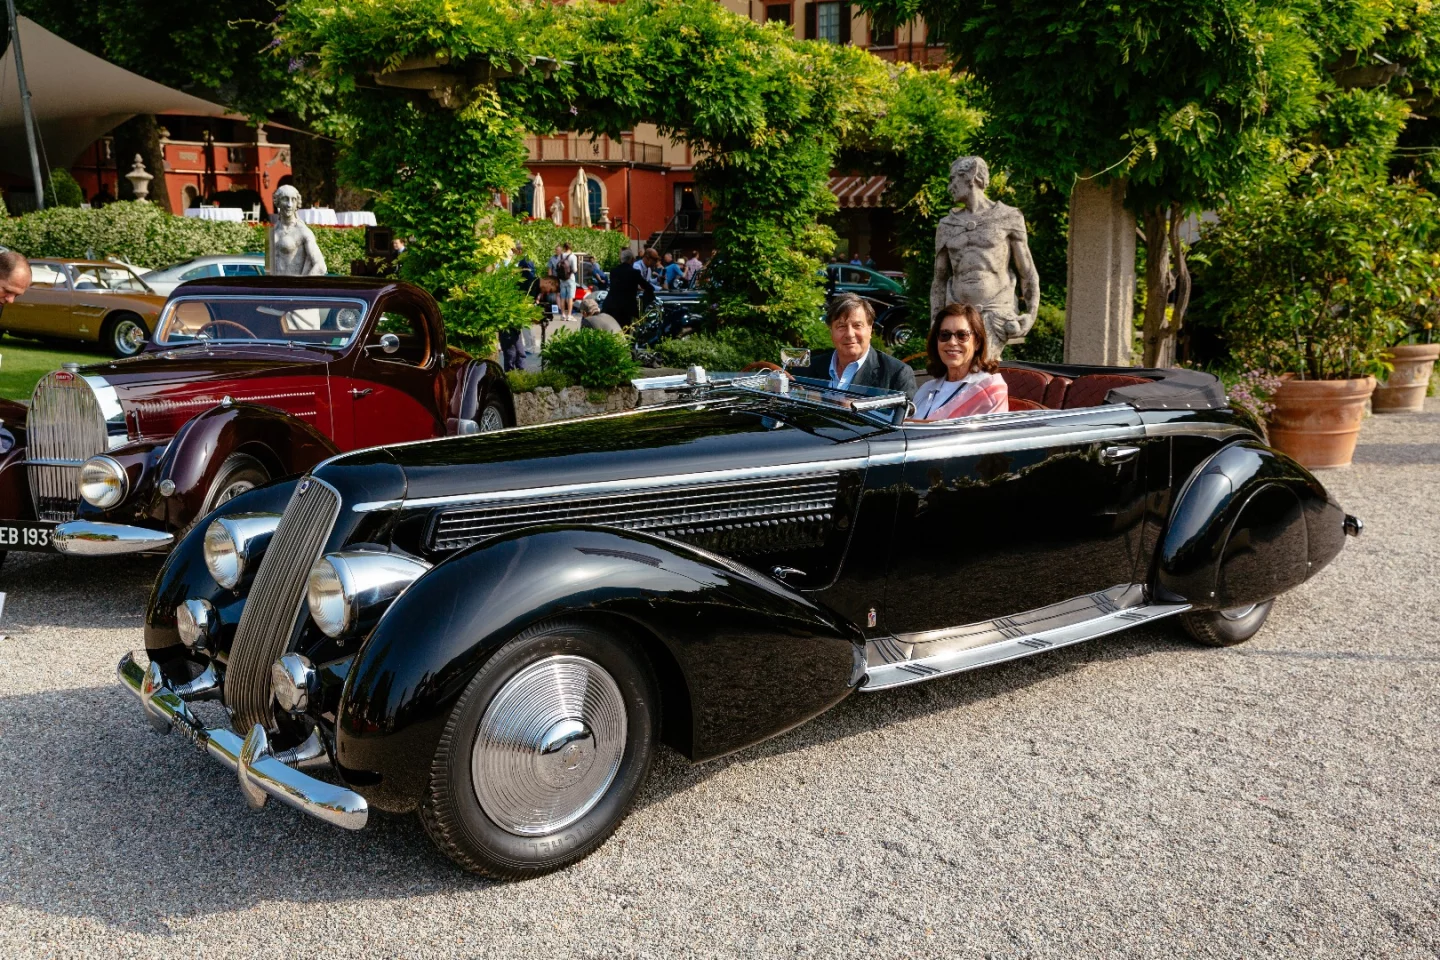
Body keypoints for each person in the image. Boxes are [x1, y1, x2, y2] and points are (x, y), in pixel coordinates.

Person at [791, 293, 916, 398]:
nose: (850, 334)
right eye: (841, 326)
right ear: (831, 331)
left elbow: (905, 423)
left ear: (870, 329)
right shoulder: (806, 370)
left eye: (857, 326)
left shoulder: (896, 374)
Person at [910, 303, 1008, 421]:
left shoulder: (990, 392)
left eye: (962, 335)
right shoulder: (926, 390)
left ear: (977, 342)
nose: (952, 342)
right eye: (944, 335)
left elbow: (992, 437)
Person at [605, 250, 654, 326]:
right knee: (626, 332)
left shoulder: (613, 271)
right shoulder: (635, 272)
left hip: (612, 305)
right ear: (632, 259)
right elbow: (647, 286)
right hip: (626, 308)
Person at [556, 242, 579, 321]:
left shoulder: (560, 256)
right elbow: (575, 269)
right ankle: (569, 315)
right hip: (570, 279)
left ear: (564, 247)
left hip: (562, 280)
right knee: (570, 298)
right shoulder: (573, 256)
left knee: (562, 297)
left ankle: (562, 315)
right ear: (571, 247)